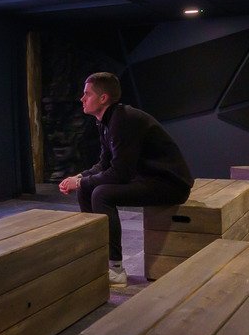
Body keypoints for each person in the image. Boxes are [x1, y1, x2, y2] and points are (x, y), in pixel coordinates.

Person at [58, 72, 192, 285]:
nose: (82, 99)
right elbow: (104, 164)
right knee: (86, 188)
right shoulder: (106, 121)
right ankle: (97, 255)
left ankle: (115, 268)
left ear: (103, 98)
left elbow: (120, 173)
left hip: (170, 183)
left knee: (102, 193)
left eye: (87, 94)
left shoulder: (124, 120)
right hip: (148, 179)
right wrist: (80, 177)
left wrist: (82, 181)